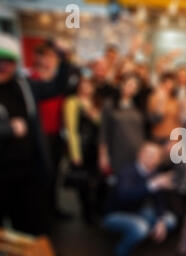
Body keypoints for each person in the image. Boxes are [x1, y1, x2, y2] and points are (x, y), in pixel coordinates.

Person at [0, 33, 69, 235]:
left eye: (9, 61)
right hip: (2, 174)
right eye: (0, 60)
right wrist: (8, 129)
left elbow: (57, 86)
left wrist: (63, 59)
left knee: (31, 227)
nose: (4, 66)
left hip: (28, 172)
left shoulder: (24, 85)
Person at [102, 143, 176, 256]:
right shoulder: (127, 171)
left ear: (159, 160)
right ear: (139, 155)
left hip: (138, 211)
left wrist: (160, 220)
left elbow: (160, 200)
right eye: (148, 154)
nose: (151, 158)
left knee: (169, 220)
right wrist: (152, 185)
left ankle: (141, 237)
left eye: (155, 156)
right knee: (141, 228)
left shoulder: (154, 173)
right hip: (115, 214)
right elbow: (124, 197)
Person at [64, 76, 101, 224]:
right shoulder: (72, 102)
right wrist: (75, 153)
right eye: (84, 85)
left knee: (95, 180)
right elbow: (71, 130)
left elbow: (101, 122)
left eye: (89, 85)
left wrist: (94, 115)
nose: (87, 88)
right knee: (83, 182)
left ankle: (94, 209)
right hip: (82, 147)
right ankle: (87, 213)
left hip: (95, 147)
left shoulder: (96, 102)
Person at [99, 72, 145, 176]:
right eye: (128, 84)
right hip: (117, 151)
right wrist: (103, 155)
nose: (131, 88)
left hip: (136, 152)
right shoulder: (110, 104)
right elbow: (103, 132)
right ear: (122, 84)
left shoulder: (138, 106)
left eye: (134, 86)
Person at [147, 72, 180, 145]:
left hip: (172, 136)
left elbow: (177, 119)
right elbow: (153, 118)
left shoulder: (174, 100)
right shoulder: (154, 97)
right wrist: (160, 102)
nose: (169, 85)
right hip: (158, 136)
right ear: (162, 83)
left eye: (172, 83)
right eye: (167, 82)